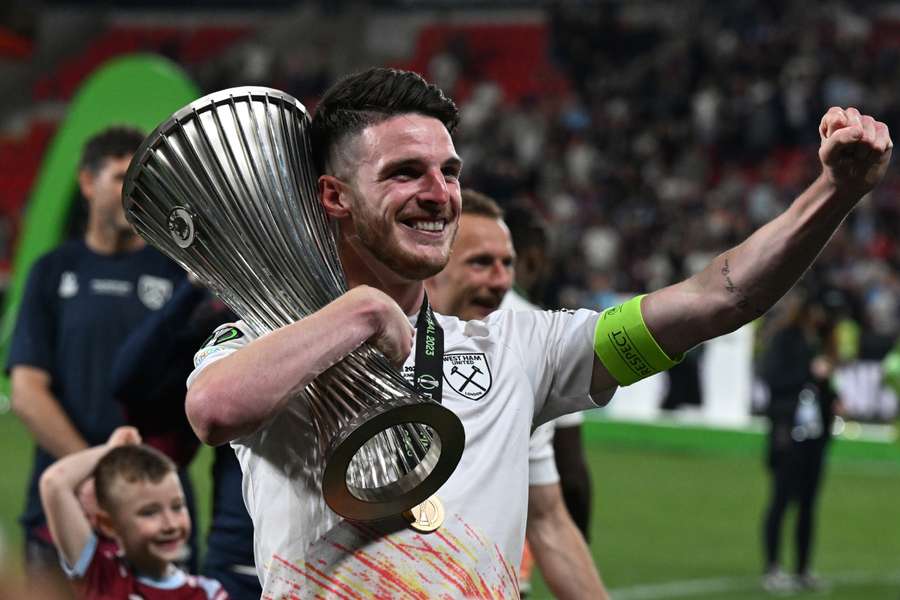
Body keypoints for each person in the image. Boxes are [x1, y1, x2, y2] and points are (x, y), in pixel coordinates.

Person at [184, 67, 891, 597]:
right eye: (405, 172)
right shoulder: (267, 339)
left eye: (449, 171)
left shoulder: (517, 349)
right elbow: (216, 409)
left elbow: (719, 297)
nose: (439, 193)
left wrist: (834, 194)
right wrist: (362, 313)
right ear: (334, 197)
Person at [7, 126, 188, 576]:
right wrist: (99, 472)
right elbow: (27, 392)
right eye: (121, 176)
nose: (134, 191)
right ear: (87, 183)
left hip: (156, 514)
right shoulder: (52, 272)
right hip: (62, 509)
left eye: (143, 179)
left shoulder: (179, 276)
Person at [425, 189, 608, 599]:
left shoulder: (519, 362)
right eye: (480, 263)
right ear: (432, 265)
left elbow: (549, 519)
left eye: (506, 264)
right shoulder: (367, 345)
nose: (501, 280)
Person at [111, 279, 260, 599]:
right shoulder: (234, 323)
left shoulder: (357, 313)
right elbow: (127, 379)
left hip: (335, 555)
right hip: (238, 561)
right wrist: (192, 289)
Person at [38, 425, 228, 599]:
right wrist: (111, 451)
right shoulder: (99, 574)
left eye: (177, 507)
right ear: (109, 525)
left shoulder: (208, 593)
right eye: (149, 513)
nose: (170, 524)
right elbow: (54, 483)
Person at [501, 202, 593, 539]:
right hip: (507, 535)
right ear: (534, 259)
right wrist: (581, 541)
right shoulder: (542, 332)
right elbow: (571, 469)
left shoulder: (436, 320)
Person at [758, 290, 840, 592]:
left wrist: (834, 398)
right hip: (787, 431)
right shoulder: (786, 338)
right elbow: (773, 379)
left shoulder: (820, 342)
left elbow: (822, 388)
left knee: (808, 503)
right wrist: (809, 373)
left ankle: (803, 568)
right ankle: (772, 568)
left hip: (815, 436)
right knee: (781, 500)